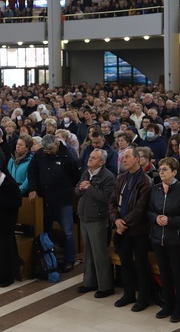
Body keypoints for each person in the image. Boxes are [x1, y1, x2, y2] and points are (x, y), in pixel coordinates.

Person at [148, 157, 180, 323]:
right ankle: (168, 305)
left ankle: (179, 307)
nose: (161, 172)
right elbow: (148, 211)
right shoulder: (155, 189)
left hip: (176, 240)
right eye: (160, 169)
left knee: (177, 274)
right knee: (164, 273)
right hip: (157, 238)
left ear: (174, 172)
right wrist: (156, 218)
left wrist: (170, 221)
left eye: (165, 169)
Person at [28, 134, 80, 272]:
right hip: (45, 200)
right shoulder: (40, 154)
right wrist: (32, 188)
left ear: (56, 144)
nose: (47, 152)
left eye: (50, 149)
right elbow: (32, 171)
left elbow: (76, 176)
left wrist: (65, 187)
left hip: (63, 200)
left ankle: (69, 260)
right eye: (45, 149)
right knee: (46, 230)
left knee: (68, 232)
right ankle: (50, 258)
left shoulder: (68, 156)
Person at [109, 147, 152, 312]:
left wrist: (122, 222)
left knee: (141, 265)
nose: (123, 160)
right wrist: (116, 220)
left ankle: (143, 298)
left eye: (127, 157)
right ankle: (128, 294)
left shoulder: (145, 181)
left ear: (137, 159)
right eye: (122, 158)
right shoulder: (121, 178)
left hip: (137, 230)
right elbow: (112, 202)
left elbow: (140, 209)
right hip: (122, 228)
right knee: (125, 263)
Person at [75, 148, 116, 298]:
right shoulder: (86, 172)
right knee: (88, 253)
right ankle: (89, 282)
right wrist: (80, 188)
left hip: (98, 219)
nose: (90, 159)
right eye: (90, 156)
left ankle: (106, 286)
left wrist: (89, 188)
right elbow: (76, 190)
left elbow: (108, 197)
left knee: (99, 253)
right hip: (84, 217)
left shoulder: (108, 177)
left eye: (94, 158)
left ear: (102, 162)